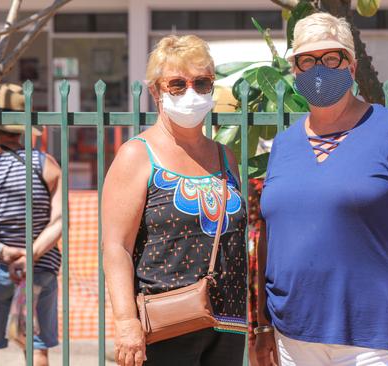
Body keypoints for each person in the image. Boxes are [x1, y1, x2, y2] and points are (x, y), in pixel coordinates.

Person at [254, 13, 388, 366]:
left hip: (375, 337)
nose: (318, 69)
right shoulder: (283, 145)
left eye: (330, 58)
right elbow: (271, 233)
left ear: (352, 68)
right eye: (306, 61)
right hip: (293, 334)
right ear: (294, 70)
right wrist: (264, 325)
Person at [102, 35, 248, 366]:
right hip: (164, 326)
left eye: (201, 82)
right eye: (177, 84)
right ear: (156, 91)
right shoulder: (137, 155)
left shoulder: (226, 157)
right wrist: (126, 323)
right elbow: (116, 248)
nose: (191, 93)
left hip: (228, 323)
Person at [0, 83, 63, 366]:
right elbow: (60, 221)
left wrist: (2, 251)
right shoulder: (46, 164)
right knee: (35, 348)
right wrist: (29, 254)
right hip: (38, 268)